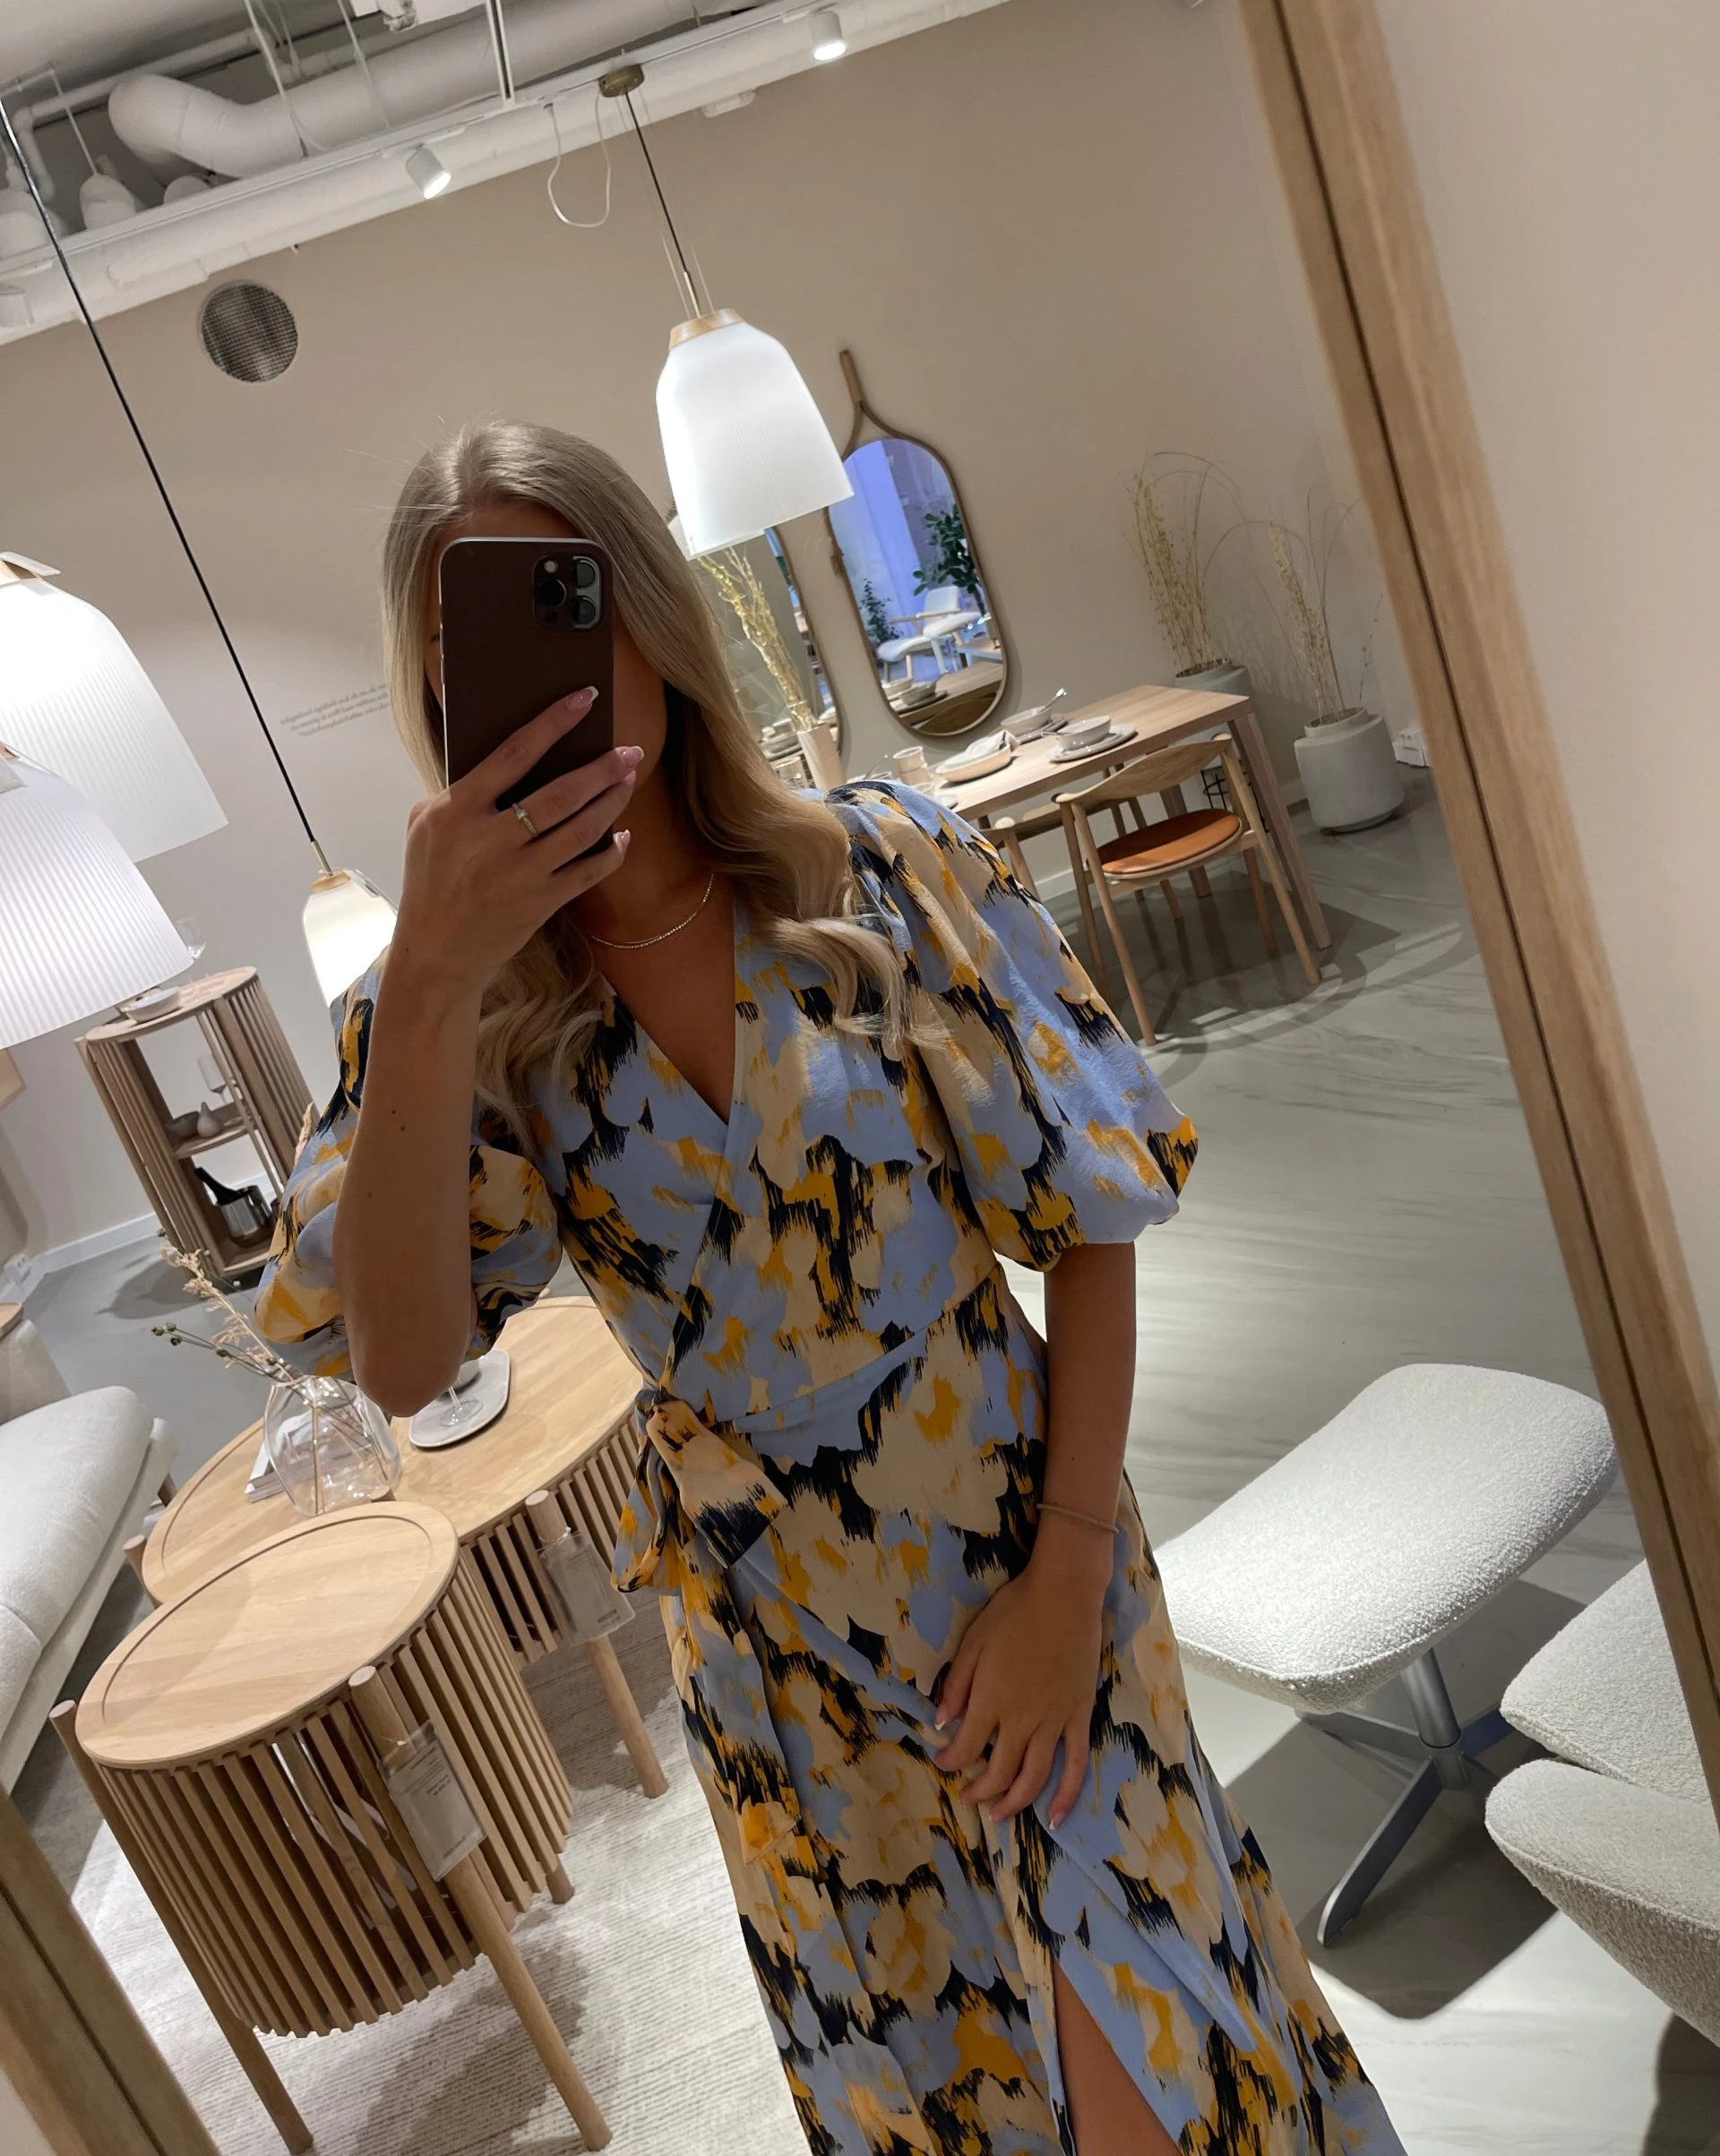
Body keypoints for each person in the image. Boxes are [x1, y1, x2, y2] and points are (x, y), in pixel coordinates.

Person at [255, 420, 1404, 2156]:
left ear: (651, 616)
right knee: (948, 2085)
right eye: (462, 651)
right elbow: (407, 1368)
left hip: (1029, 1540)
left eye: (566, 606)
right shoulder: (461, 1014)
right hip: (777, 1647)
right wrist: (423, 982)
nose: (538, 684)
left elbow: (1091, 1212)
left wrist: (1066, 1575)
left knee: (1166, 2045)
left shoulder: (878, 867)